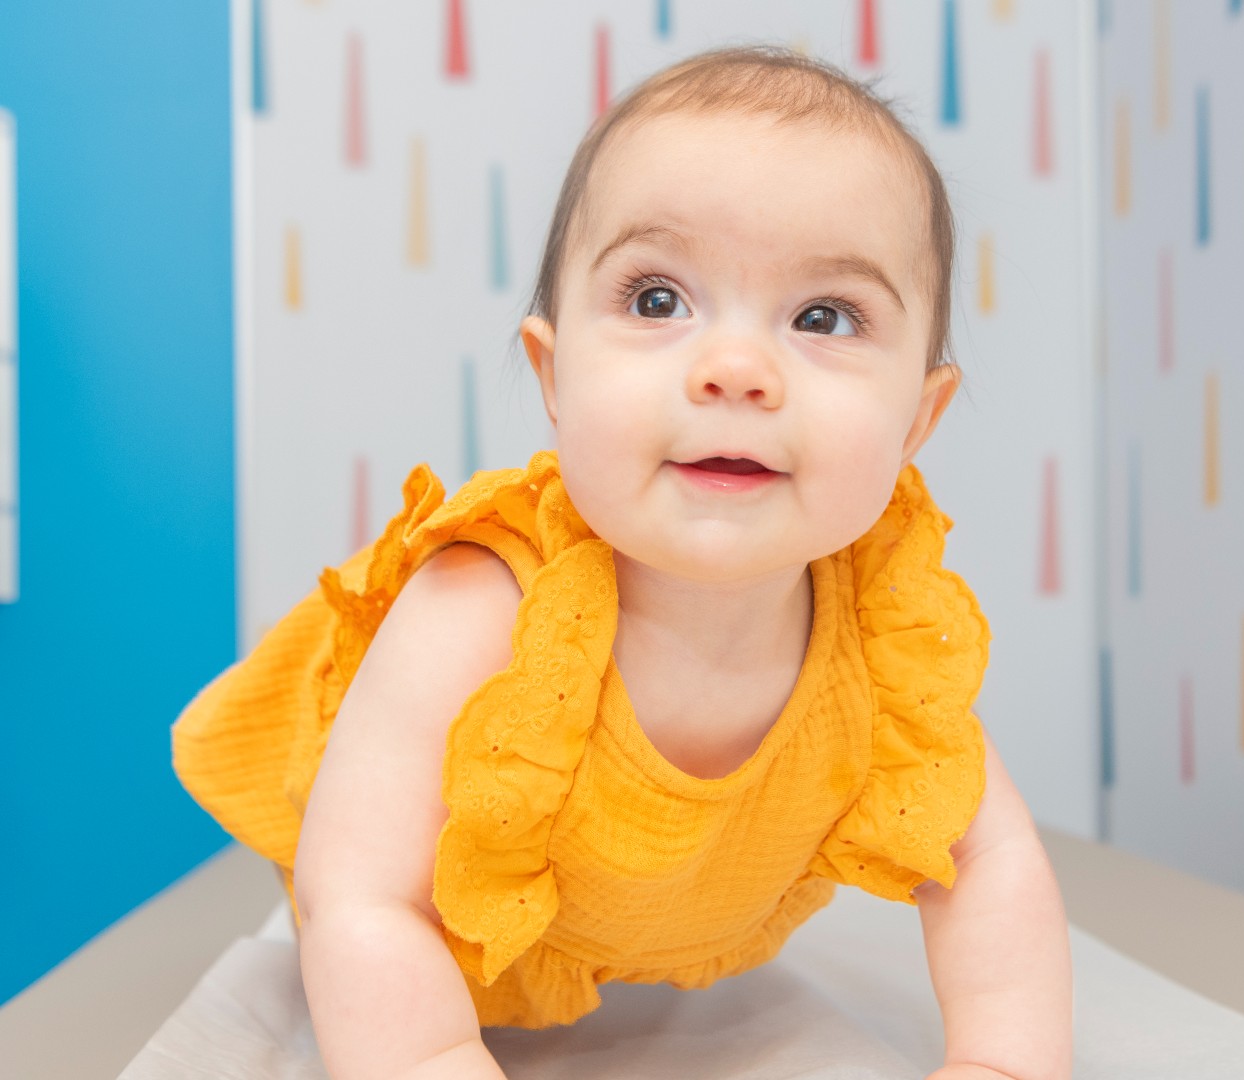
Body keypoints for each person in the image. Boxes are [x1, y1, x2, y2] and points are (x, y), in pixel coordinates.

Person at [172, 44, 1071, 1080]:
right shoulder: (488, 602)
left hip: (651, 938)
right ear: (554, 378)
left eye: (823, 317)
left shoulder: (884, 636)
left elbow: (987, 860)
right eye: (657, 300)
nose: (735, 371)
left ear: (918, 419)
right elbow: (362, 891)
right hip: (437, 941)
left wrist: (1004, 1063)